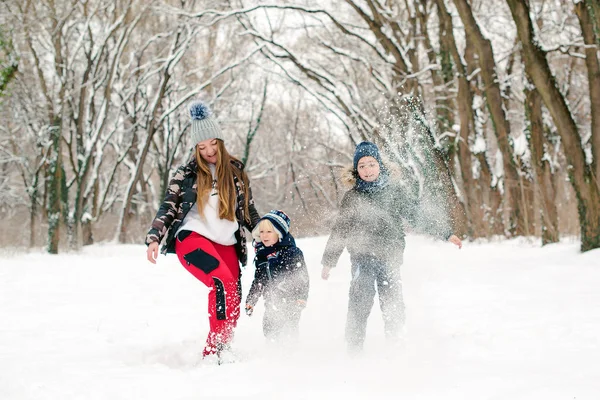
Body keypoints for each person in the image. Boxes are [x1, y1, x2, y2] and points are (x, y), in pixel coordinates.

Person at [320, 141, 462, 353]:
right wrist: (329, 261)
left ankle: (396, 347)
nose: (367, 170)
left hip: (390, 256)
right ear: (356, 171)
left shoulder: (394, 192)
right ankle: (353, 349)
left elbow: (415, 214)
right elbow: (341, 229)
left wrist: (445, 232)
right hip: (362, 257)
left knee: (393, 303)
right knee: (360, 301)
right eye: (362, 166)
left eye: (371, 164)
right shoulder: (352, 197)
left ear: (380, 165)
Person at [145, 101, 260, 362]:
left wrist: (266, 231)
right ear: (196, 149)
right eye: (201, 147)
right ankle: (214, 350)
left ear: (220, 141)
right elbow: (169, 206)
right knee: (221, 283)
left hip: (227, 242)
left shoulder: (236, 171)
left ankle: (225, 347)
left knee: (233, 294)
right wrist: (154, 237)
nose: (208, 151)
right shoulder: (186, 174)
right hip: (193, 238)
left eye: (212, 144)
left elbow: (249, 210)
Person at [245, 210, 309, 341]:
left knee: (289, 330)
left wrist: (301, 297)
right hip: (271, 302)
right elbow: (259, 280)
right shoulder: (262, 255)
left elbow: (302, 277)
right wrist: (251, 300)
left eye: (269, 231)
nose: (264, 235)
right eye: (261, 232)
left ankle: (291, 354)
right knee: (269, 330)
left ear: (279, 233)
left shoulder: (292, 253)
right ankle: (273, 354)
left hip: (291, 302)